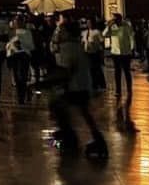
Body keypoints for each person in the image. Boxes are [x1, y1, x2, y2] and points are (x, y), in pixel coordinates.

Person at [50, 15, 108, 158]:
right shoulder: (77, 45)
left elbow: (68, 68)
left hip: (74, 86)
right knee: (84, 113)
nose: (59, 33)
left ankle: (69, 136)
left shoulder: (67, 47)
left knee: (57, 106)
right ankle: (97, 140)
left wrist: (58, 82)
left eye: (61, 31)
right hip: (83, 85)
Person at [105, 13, 135, 110]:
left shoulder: (127, 26)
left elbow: (131, 37)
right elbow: (105, 34)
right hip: (115, 52)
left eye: (115, 19)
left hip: (126, 53)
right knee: (117, 72)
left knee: (126, 72)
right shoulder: (112, 27)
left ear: (119, 19)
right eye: (113, 19)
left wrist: (132, 49)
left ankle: (129, 89)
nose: (114, 20)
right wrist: (108, 26)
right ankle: (118, 90)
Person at [8, 15, 34, 104]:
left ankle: (22, 96)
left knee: (22, 76)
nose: (17, 24)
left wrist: (21, 44)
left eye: (18, 22)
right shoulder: (13, 33)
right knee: (17, 76)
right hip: (14, 56)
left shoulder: (27, 32)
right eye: (15, 22)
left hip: (24, 55)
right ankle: (22, 94)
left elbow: (31, 46)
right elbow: (9, 45)